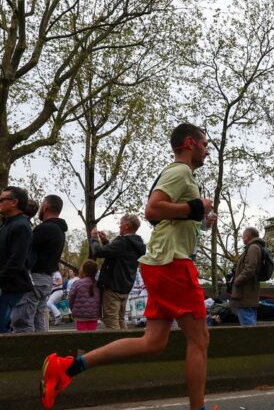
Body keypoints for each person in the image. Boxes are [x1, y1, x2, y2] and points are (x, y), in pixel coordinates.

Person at [40, 122, 215, 410]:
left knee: (153, 342)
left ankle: (67, 368)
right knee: (200, 339)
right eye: (204, 144)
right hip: (173, 264)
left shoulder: (183, 176)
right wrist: (197, 208)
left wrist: (202, 220)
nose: (207, 150)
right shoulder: (180, 171)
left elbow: (162, 220)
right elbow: (153, 209)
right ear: (189, 143)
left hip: (160, 263)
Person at [11, 195, 68, 333]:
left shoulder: (46, 228)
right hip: (45, 280)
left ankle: (27, 352)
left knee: (23, 320)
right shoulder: (58, 229)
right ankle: (42, 350)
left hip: (34, 279)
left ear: (46, 207)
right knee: (37, 319)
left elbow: (24, 247)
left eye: (42, 204)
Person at [89, 214, 146, 330]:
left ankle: (117, 346)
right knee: (120, 319)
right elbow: (118, 255)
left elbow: (98, 252)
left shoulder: (123, 241)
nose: (119, 226)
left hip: (113, 288)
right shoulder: (137, 244)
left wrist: (94, 239)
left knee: (111, 320)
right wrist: (106, 242)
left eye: (120, 224)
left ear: (126, 226)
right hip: (125, 288)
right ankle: (126, 346)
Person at [0, 186, 33, 333]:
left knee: (3, 328)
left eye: (2, 200)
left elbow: (16, 260)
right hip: (6, 286)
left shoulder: (21, 226)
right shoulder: (7, 225)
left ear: (14, 202)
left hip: (12, 288)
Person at [229, 227, 264, 326]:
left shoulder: (253, 248)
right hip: (248, 291)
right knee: (249, 318)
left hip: (245, 292)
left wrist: (237, 281)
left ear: (247, 236)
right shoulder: (254, 247)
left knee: (247, 323)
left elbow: (250, 268)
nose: (242, 238)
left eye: (243, 236)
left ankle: (252, 341)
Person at [69, 260, 100, 331]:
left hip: (80, 315)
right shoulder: (98, 285)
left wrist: (72, 309)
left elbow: (71, 297)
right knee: (92, 335)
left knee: (81, 336)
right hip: (93, 315)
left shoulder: (77, 283)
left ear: (83, 270)